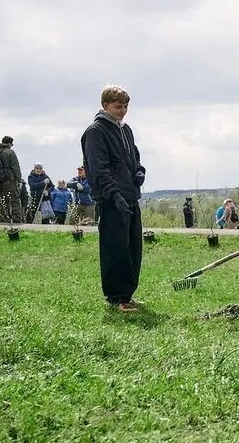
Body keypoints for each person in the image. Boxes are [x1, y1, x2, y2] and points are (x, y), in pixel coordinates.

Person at [81, 84, 146, 312]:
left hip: (130, 196)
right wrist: (113, 194)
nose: (123, 110)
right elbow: (98, 168)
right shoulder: (95, 131)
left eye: (126, 106)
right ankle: (116, 297)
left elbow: (134, 157)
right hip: (111, 199)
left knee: (133, 248)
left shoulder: (125, 130)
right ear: (105, 105)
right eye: (118, 106)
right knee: (115, 249)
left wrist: (139, 171)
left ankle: (127, 294)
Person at [0, 136, 24, 223]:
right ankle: (16, 217)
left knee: (0, 199)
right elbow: (15, 167)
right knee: (14, 198)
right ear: (9, 143)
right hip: (9, 179)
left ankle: (2, 216)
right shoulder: (10, 152)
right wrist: (19, 180)